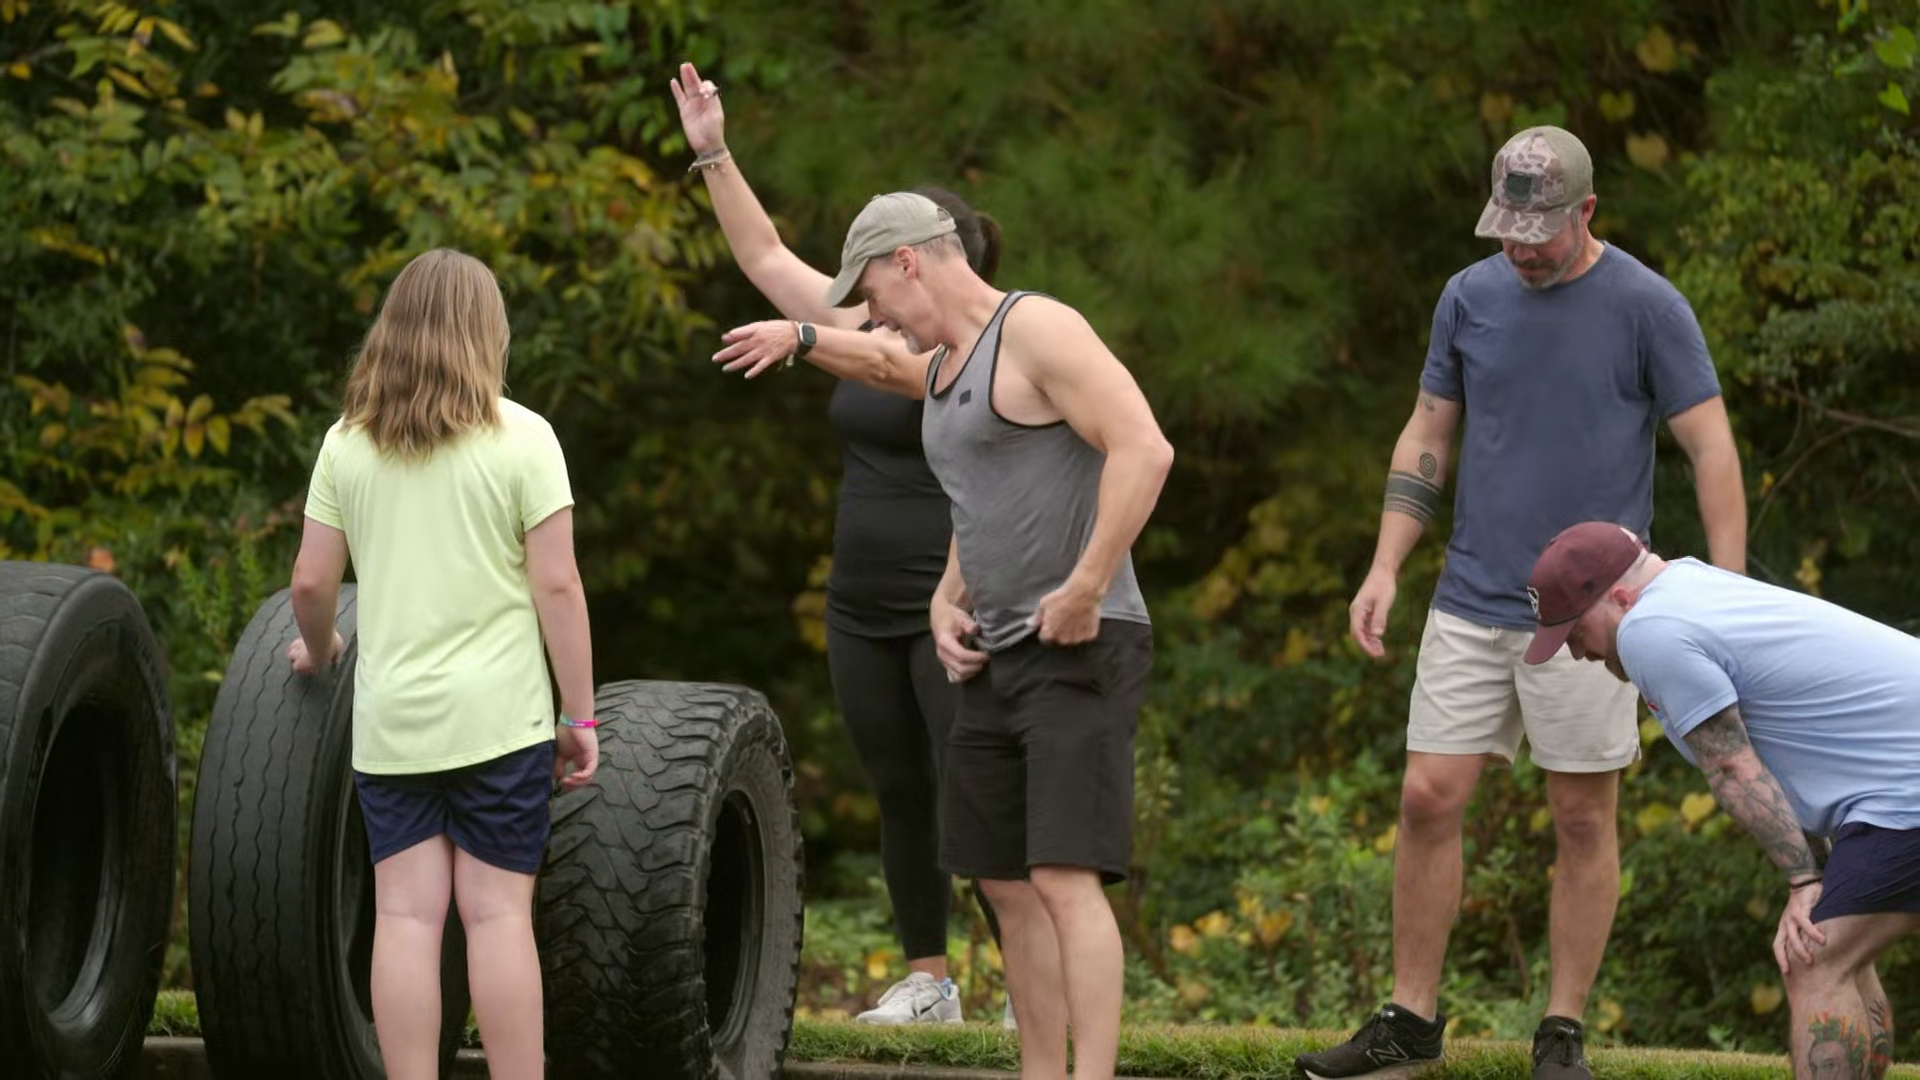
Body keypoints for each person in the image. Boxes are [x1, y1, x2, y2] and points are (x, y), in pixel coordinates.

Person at [1301, 125, 1749, 1080]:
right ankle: (1411, 1020)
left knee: (1582, 816)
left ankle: (1561, 1030)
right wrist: (1385, 566)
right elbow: (1429, 431)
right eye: (1508, 230)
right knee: (1427, 797)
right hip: (1471, 592)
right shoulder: (1468, 297)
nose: (1522, 248)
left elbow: (1711, 447)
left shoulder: (1648, 306)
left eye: (1540, 232)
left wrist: (1728, 595)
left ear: (1587, 211)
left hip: (1596, 610)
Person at [669, 61, 1008, 1026]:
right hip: (860, 599)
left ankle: (1032, 983)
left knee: (975, 789)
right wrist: (714, 153)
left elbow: (890, 365)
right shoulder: (867, 315)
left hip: (954, 598)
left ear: (925, 261)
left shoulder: (975, 339)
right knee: (900, 789)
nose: (871, 293)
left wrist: (806, 339)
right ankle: (931, 982)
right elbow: (765, 255)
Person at [817, 188, 1173, 1080]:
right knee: (1004, 883)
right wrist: (947, 596)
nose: (876, 320)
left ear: (909, 262)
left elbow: (1144, 448)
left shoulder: (1037, 329)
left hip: (1082, 642)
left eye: (874, 295)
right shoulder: (942, 368)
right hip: (994, 651)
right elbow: (981, 500)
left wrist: (1088, 584)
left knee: (1063, 875)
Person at [287, 248, 600, 1080]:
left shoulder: (347, 444)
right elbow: (558, 586)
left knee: (406, 919)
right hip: (501, 725)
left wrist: (319, 648)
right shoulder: (525, 438)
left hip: (394, 727)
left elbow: (312, 582)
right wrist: (578, 715)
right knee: (497, 918)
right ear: (487, 332)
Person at [1523, 520, 1920, 1080]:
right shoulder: (1690, 586)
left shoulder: (1649, 631)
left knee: (1813, 957)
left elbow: (1732, 765)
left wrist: (1804, 882)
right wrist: (1816, 873)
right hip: (1891, 795)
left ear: (1619, 597)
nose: (1574, 651)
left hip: (1905, 791)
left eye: (1574, 630)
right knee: (1839, 954)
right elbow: (1777, 758)